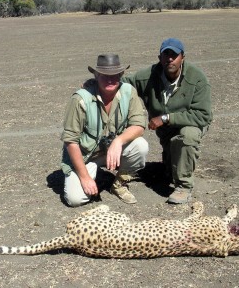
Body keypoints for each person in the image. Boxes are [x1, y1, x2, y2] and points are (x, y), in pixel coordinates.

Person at [123, 38, 212, 204]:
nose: (170, 59)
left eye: (174, 55)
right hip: (165, 129)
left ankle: (183, 186)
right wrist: (97, 83)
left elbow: (203, 116)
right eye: (166, 55)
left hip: (190, 124)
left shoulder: (197, 79)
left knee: (187, 136)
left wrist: (166, 118)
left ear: (182, 57)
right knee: (170, 168)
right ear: (160, 58)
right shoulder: (148, 76)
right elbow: (123, 84)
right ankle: (172, 162)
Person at [61, 54, 148, 207]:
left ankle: (119, 184)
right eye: (104, 76)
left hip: (111, 151)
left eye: (114, 75)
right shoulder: (80, 99)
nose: (110, 80)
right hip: (86, 156)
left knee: (140, 146)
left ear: (121, 75)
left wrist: (118, 141)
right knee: (75, 199)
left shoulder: (129, 92)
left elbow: (139, 125)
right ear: (96, 75)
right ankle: (91, 177)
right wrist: (85, 177)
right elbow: (70, 141)